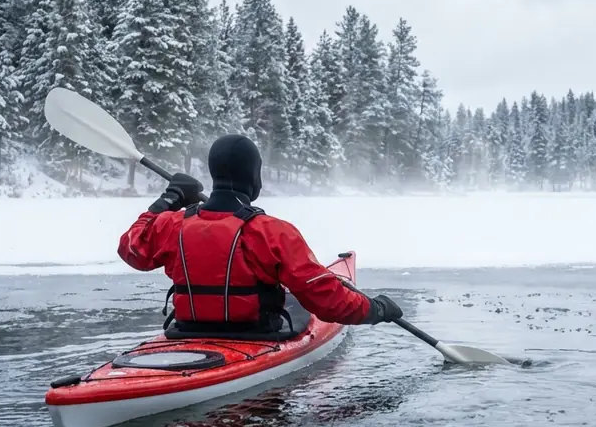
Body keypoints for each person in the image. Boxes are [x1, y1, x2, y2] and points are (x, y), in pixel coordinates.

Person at [117, 133, 402, 333]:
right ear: (254, 177)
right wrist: (373, 310)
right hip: (257, 335)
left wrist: (167, 201)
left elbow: (132, 250)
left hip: (187, 331)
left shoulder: (173, 224)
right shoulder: (270, 232)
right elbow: (327, 301)